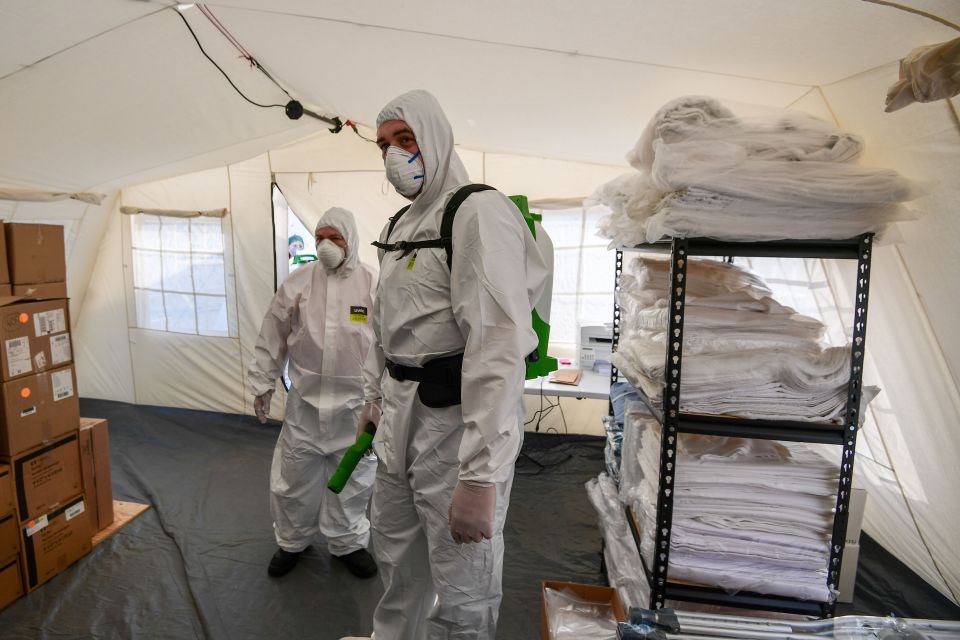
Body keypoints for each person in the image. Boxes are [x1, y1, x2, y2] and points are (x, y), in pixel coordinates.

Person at [343, 90, 548, 640]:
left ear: (435, 138)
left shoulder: (477, 212)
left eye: (405, 140)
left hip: (454, 425)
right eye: (384, 144)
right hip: (400, 419)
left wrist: (481, 477)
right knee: (396, 558)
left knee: (462, 579)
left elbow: (497, 349)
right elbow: (385, 331)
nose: (393, 156)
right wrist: (374, 400)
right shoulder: (401, 225)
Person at [249, 207, 379, 580]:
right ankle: (292, 541)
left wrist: (388, 397)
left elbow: (389, 343)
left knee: (353, 481)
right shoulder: (298, 283)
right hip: (304, 405)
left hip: (356, 410)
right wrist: (262, 382)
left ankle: (347, 542)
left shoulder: (373, 284)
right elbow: (272, 334)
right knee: (293, 479)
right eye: (320, 237)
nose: (325, 246)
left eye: (334, 238)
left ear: (350, 240)